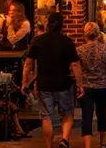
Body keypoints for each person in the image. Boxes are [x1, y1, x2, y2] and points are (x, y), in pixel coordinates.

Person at [23, 12, 84, 148]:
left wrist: (24, 82)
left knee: (46, 116)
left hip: (44, 83)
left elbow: (27, 64)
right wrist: (80, 84)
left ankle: (48, 145)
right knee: (67, 113)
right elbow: (75, 64)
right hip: (63, 83)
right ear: (62, 26)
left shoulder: (38, 40)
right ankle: (64, 139)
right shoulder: (66, 41)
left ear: (48, 24)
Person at [76, 23, 106, 148]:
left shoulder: (79, 50)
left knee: (86, 114)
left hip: (86, 86)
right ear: (98, 34)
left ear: (85, 35)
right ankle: (102, 140)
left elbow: (76, 68)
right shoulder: (105, 49)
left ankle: (87, 144)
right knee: (101, 112)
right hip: (103, 85)